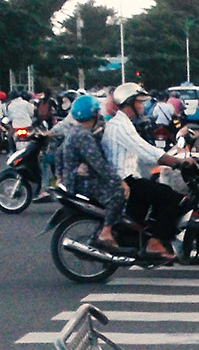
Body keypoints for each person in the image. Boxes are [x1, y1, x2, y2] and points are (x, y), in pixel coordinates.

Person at [101, 82, 188, 260]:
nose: (142, 106)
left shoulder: (124, 123)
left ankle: (143, 238)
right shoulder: (120, 126)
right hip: (125, 180)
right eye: (139, 102)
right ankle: (155, 243)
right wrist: (175, 162)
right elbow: (144, 150)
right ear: (129, 103)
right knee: (169, 196)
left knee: (157, 190)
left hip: (131, 176)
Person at [59, 96, 130, 250]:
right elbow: (99, 165)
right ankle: (105, 231)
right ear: (93, 114)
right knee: (118, 194)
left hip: (73, 179)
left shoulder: (75, 130)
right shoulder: (83, 136)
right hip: (81, 182)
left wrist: (64, 174)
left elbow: (59, 154)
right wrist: (119, 182)